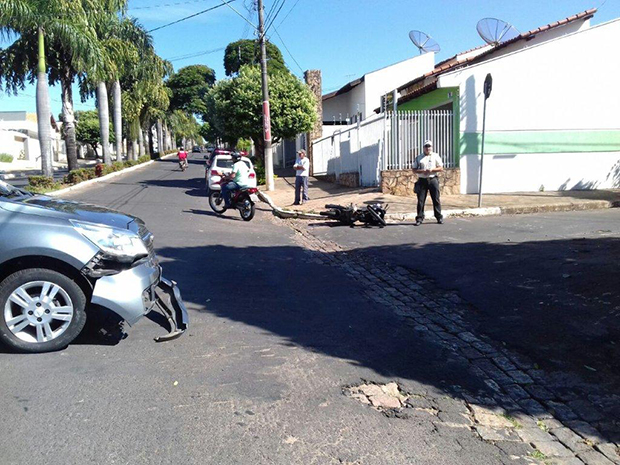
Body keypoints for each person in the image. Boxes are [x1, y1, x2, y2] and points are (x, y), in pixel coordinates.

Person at [413, 140, 444, 225]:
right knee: (420, 200)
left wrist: (431, 170)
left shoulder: (435, 156)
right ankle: (419, 218)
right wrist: (422, 171)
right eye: (426, 146)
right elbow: (414, 169)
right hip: (422, 180)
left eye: (429, 146)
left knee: (436, 199)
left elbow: (441, 168)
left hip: (433, 179)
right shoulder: (419, 157)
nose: (428, 148)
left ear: (431, 147)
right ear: (423, 148)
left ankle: (439, 217)